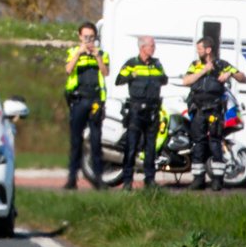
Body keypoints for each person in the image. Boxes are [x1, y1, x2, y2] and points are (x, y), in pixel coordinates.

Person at [181, 36, 246, 191]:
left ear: (208, 50)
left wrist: (230, 74)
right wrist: (203, 71)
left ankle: (217, 180)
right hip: (198, 109)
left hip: (214, 110)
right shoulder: (195, 65)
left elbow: (243, 78)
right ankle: (198, 179)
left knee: (215, 142)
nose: (198, 52)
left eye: (200, 49)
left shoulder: (222, 65)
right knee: (198, 143)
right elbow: (186, 81)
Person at [114, 35, 168, 191]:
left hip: (153, 110)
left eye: (154, 45)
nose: (154, 48)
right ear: (142, 47)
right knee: (131, 147)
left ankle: (150, 180)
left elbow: (164, 79)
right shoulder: (132, 63)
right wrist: (132, 75)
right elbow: (119, 80)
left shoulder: (157, 64)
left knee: (151, 147)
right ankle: (127, 181)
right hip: (136, 111)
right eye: (151, 45)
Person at [63, 21, 108, 189]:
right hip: (78, 99)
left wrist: (97, 57)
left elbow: (106, 72)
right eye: (86, 37)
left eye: (91, 37)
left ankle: (98, 178)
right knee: (76, 141)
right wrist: (79, 53)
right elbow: (68, 70)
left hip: (95, 100)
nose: (88, 40)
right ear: (80, 37)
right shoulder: (73, 52)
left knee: (96, 141)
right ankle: (72, 178)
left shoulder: (102, 53)